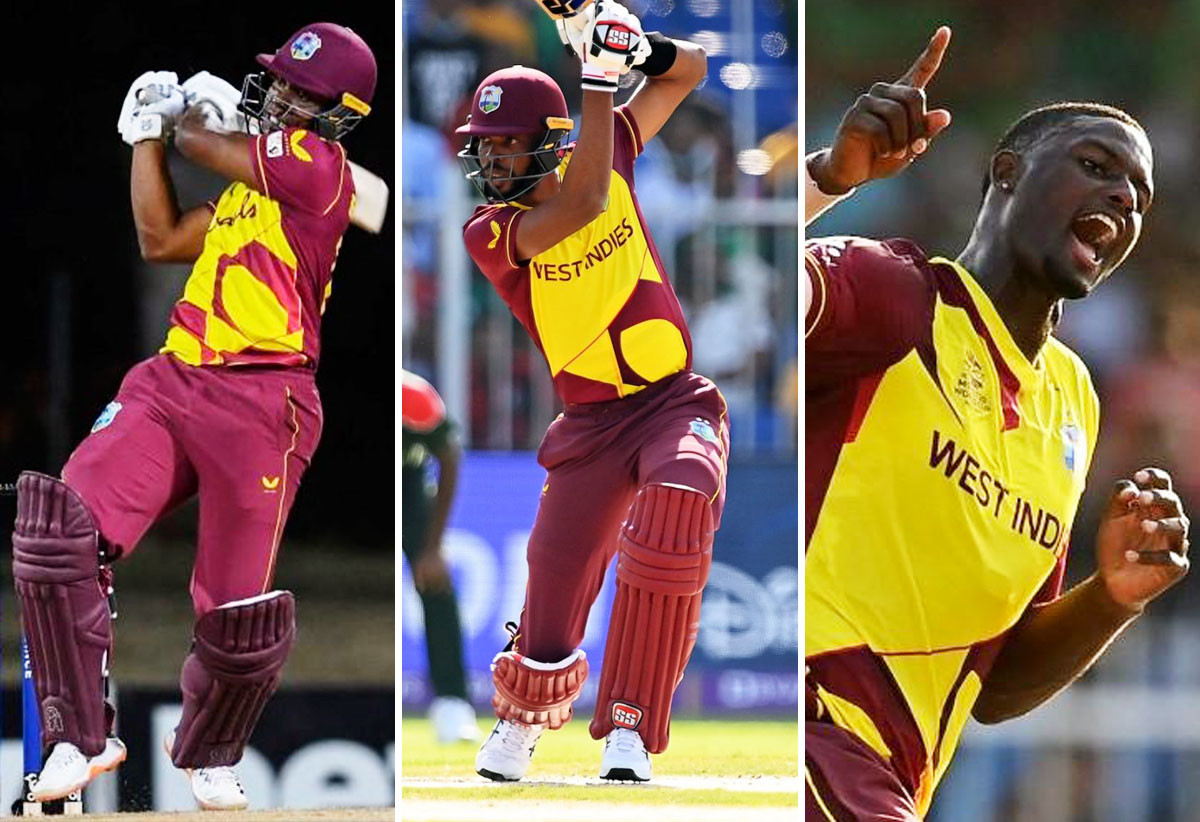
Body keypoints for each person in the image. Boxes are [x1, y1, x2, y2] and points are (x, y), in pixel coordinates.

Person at [804, 26, 1188, 820]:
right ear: (1005, 173)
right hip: (810, 735)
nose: (1123, 196)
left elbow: (998, 685)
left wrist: (1111, 597)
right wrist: (824, 182)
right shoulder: (890, 294)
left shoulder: (1074, 400)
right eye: (1095, 166)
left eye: (1139, 196)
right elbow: (712, 300)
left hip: (894, 782)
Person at [10, 23, 376, 811]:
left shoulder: (322, 171)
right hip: (173, 380)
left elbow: (211, 147)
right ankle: (76, 736)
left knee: (235, 609)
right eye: (276, 83)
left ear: (333, 116)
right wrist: (146, 135)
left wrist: (189, 117)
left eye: (296, 92)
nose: (276, 96)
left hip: (265, 398)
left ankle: (210, 754)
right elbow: (160, 238)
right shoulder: (252, 193)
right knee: (57, 528)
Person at [456, 0, 721, 784]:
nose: (494, 164)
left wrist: (637, 46)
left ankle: (630, 730)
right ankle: (523, 720)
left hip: (675, 402)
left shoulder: (606, 147)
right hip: (591, 425)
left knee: (682, 495)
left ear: (552, 141)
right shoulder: (492, 230)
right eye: (486, 148)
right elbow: (587, 204)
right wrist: (598, 76)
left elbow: (694, 71)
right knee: (556, 575)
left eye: (507, 147)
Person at [401, 369, 479, 743]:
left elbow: (449, 457)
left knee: (437, 584)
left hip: (407, 482)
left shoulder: (412, 395)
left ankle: (453, 703)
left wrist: (432, 548)